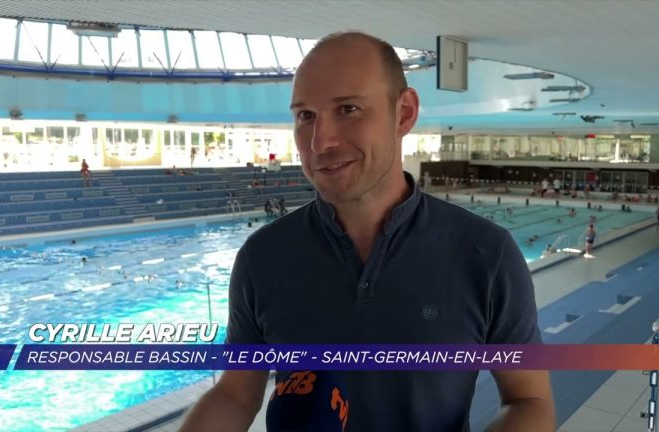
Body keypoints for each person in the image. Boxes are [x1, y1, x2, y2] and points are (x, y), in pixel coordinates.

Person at [180, 31, 554, 432]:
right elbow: (237, 393)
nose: (321, 141)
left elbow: (528, 399)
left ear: (404, 113)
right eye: (306, 115)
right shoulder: (263, 257)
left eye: (348, 109)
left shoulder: (486, 254)